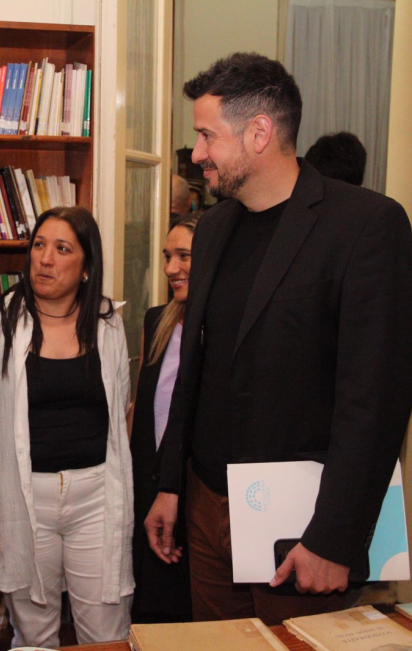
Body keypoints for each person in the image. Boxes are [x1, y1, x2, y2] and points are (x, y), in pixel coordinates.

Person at [144, 52, 412, 625]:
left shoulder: (366, 225)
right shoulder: (213, 229)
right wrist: (171, 486)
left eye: (206, 136)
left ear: (259, 132)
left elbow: (376, 401)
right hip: (206, 509)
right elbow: (197, 369)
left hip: (301, 530)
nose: (197, 154)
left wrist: (334, 539)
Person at [0, 207, 133, 647]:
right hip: (21, 498)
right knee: (34, 634)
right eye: (39, 245)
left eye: (62, 249)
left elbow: (119, 416)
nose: (45, 259)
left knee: (106, 633)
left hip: (96, 497)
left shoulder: (109, 323)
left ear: (87, 267)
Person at [129, 215, 198, 624]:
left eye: (184, 256)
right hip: (148, 482)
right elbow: (141, 406)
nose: (172, 268)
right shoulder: (157, 320)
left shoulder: (221, 329)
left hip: (192, 494)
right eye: (168, 257)